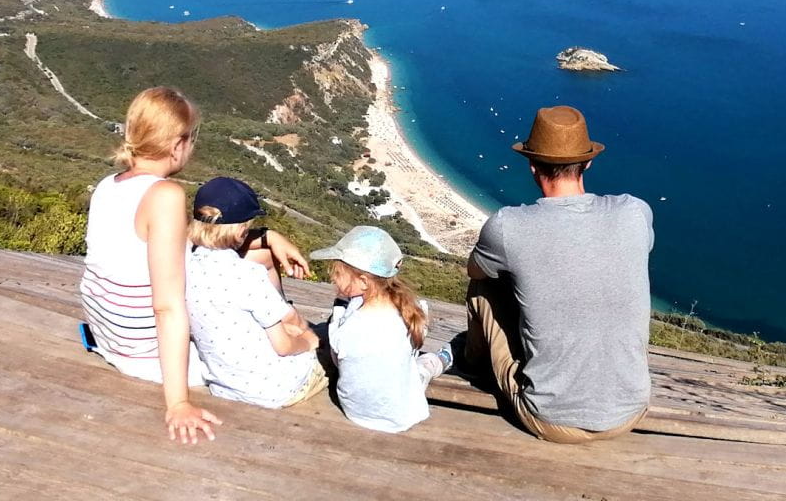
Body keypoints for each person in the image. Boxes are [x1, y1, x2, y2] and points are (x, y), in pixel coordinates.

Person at [79, 87, 308, 443]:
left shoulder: (108, 186)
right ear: (177, 144)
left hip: (111, 337)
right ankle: (286, 326)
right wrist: (179, 402)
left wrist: (267, 238)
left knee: (259, 257)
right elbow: (167, 306)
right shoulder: (165, 195)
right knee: (290, 347)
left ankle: (280, 317)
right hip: (149, 355)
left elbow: (188, 247)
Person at [464, 105, 653, 444]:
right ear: (589, 162)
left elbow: (475, 269)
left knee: (482, 287)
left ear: (532, 166)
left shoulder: (509, 225)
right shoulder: (635, 212)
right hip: (631, 411)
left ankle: (472, 366)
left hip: (549, 418)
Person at [185, 177, 327, 409]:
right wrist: (308, 341)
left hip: (223, 384)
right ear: (242, 230)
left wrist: (269, 236)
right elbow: (284, 347)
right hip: (276, 389)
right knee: (328, 347)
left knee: (289, 328)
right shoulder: (248, 274)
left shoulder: (184, 262)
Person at [311, 226, 452, 433]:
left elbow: (336, 360)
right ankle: (441, 359)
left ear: (363, 282)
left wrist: (339, 310)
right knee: (418, 368)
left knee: (415, 368)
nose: (333, 278)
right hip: (404, 411)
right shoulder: (409, 314)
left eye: (338, 274)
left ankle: (437, 361)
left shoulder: (349, 329)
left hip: (357, 412)